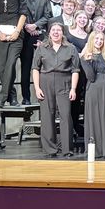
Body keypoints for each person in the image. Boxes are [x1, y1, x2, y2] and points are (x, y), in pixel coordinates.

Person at [30, 23, 79, 157]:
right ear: (49, 32)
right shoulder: (42, 48)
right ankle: (50, 149)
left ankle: (67, 149)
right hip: (46, 81)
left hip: (64, 81)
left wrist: (73, 89)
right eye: (53, 30)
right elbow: (35, 68)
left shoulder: (71, 48)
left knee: (65, 115)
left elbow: (75, 70)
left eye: (59, 30)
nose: (56, 32)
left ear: (63, 33)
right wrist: (37, 87)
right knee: (47, 115)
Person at [80, 31, 105, 158]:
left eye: (101, 39)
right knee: (94, 119)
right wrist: (87, 62)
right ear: (91, 40)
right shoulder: (85, 57)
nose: (99, 41)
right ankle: (95, 151)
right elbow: (91, 77)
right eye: (96, 39)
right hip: (93, 89)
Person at [20, 0, 52, 105]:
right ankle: (26, 97)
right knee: (26, 68)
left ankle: (45, 96)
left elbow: (47, 16)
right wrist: (27, 26)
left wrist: (35, 25)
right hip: (25, 37)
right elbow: (17, 15)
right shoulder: (18, 0)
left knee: (44, 67)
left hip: (40, 36)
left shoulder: (43, 1)